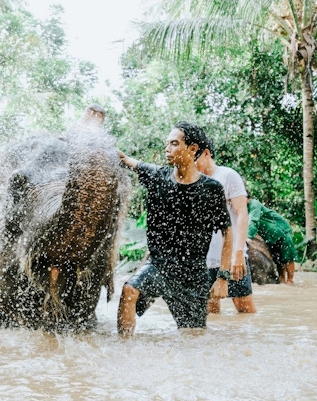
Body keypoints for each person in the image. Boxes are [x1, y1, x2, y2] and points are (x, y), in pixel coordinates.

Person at [116, 122, 233, 334]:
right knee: (129, 290)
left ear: (192, 149)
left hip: (193, 275)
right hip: (160, 266)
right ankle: (124, 350)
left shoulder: (211, 189)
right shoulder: (158, 177)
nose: (167, 149)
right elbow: (125, 160)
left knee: (193, 337)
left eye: (174, 143)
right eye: (167, 144)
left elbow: (227, 232)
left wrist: (222, 277)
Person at [195, 138, 256, 313]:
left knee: (244, 309)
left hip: (232, 258)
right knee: (211, 314)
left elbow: (242, 214)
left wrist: (239, 253)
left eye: (195, 159)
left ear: (206, 153)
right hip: (205, 260)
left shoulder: (228, 175)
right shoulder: (194, 180)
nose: (191, 164)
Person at [247, 193, 297, 284]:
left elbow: (253, 221)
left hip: (282, 231)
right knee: (278, 258)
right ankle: (282, 279)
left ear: (246, 197)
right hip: (270, 236)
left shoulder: (254, 204)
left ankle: (290, 280)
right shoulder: (244, 208)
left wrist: (248, 237)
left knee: (287, 257)